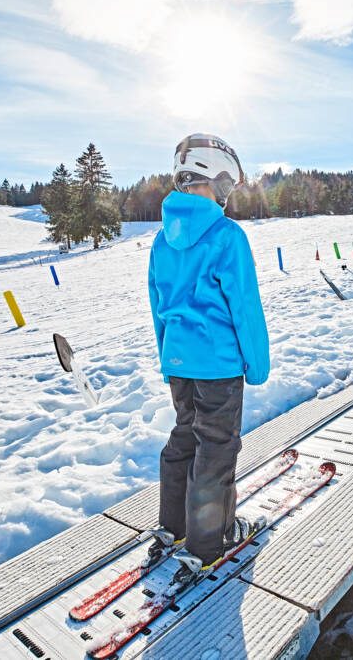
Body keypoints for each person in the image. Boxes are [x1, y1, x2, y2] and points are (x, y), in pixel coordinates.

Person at [146, 133, 271, 586]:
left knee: (184, 439)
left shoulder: (162, 240)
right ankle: (208, 542)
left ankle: (173, 525)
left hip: (180, 362)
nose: (228, 195)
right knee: (216, 450)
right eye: (227, 186)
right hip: (217, 365)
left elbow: (159, 304)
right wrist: (256, 363)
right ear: (215, 181)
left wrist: (168, 358)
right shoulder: (226, 235)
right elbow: (245, 306)